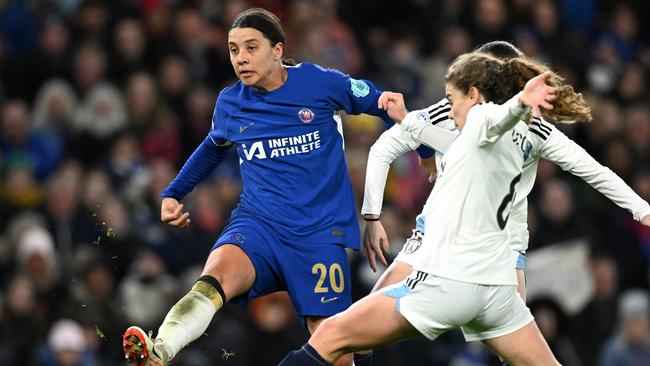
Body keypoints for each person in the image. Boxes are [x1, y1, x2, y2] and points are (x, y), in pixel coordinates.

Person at [121, 8, 433, 366]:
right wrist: (173, 193)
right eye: (234, 49)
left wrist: (424, 150)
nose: (241, 58)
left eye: (251, 47)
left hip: (318, 234)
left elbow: (388, 103)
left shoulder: (320, 84)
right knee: (214, 277)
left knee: (334, 349)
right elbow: (213, 146)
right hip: (259, 225)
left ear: (278, 50)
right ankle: (161, 349)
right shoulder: (231, 103)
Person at [278, 51, 591, 365]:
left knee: (338, 334)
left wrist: (375, 213)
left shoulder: (507, 131)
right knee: (348, 338)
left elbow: (414, 145)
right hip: (454, 251)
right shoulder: (475, 118)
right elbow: (394, 145)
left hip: (465, 259)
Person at [362, 41, 650, 304]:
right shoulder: (455, 110)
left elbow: (592, 171)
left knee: (364, 325)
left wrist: (373, 216)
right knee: (369, 323)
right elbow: (392, 146)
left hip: (496, 249)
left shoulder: (532, 128)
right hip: (454, 240)